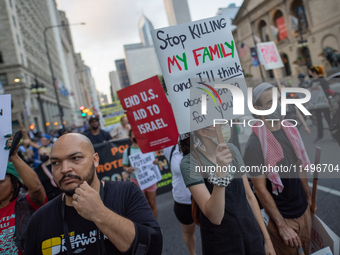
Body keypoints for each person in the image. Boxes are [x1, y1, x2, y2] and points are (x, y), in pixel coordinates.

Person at [24, 133, 162, 255]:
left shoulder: (126, 193)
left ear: (95, 160)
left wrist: (100, 213)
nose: (65, 169)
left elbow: (153, 248)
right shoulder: (40, 220)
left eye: (75, 158)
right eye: (55, 163)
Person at [179, 124, 276, 255]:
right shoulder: (190, 163)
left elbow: (250, 197)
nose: (225, 126)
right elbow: (215, 217)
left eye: (224, 122)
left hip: (251, 235)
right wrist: (220, 172)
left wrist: (267, 239)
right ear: (202, 131)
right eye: (218, 123)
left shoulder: (232, 150)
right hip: (221, 243)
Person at [243, 83, 312, 255]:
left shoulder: (290, 129)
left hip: (303, 210)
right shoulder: (254, 145)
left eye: (279, 99)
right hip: (282, 218)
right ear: (258, 110)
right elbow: (259, 189)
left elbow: (299, 165)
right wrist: (281, 226)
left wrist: (309, 197)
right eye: (270, 102)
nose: (278, 105)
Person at [0, 135, 47, 254]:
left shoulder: (27, 203)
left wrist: (13, 156)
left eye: (0, 182)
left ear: (15, 183)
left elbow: (36, 188)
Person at [163, 138, 196, 255]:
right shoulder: (170, 147)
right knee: (188, 233)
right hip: (182, 202)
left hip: (204, 199)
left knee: (212, 233)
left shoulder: (200, 139)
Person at [122, 130, 159, 219]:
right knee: (141, 206)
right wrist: (127, 169)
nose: (136, 136)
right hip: (136, 181)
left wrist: (155, 161)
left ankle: (155, 227)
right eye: (133, 135)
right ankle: (147, 226)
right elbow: (124, 166)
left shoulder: (147, 147)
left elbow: (156, 159)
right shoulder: (128, 151)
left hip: (150, 179)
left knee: (152, 204)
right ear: (130, 138)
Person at [309, 65, 333, 143]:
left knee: (328, 119)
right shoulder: (312, 82)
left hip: (324, 103)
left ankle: (335, 134)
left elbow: (327, 91)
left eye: (311, 72)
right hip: (316, 105)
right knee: (318, 120)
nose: (309, 73)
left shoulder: (323, 80)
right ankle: (320, 136)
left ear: (314, 72)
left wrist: (329, 100)